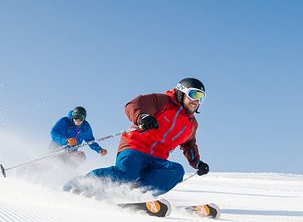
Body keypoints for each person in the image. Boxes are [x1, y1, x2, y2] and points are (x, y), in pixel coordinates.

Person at [65, 78, 210, 196]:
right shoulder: (163, 101)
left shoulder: (191, 124)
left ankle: (137, 193)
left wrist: (197, 163)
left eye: (201, 98)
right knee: (126, 174)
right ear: (181, 92)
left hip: (157, 159)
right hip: (135, 147)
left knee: (176, 171)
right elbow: (132, 105)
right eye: (194, 95)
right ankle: (82, 184)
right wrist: (142, 117)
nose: (196, 101)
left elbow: (189, 144)